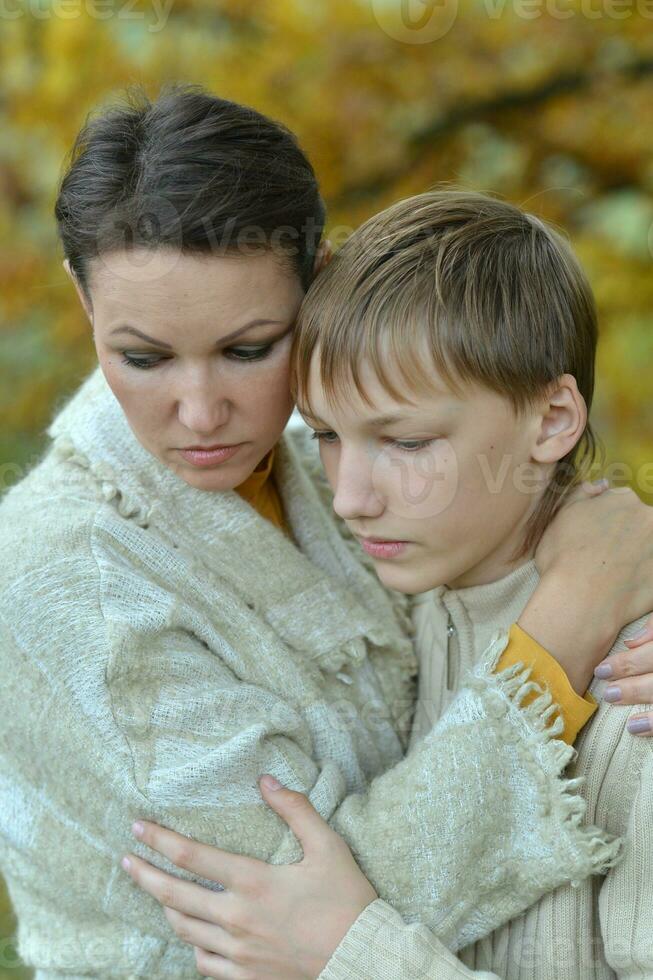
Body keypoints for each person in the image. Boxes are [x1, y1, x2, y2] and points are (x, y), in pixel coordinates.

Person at [0, 85, 652, 979]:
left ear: (319, 283)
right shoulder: (63, 574)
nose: (199, 413)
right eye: (142, 357)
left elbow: (505, 492)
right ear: (80, 294)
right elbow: (303, 915)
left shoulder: (320, 452)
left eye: (249, 347)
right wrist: (568, 625)